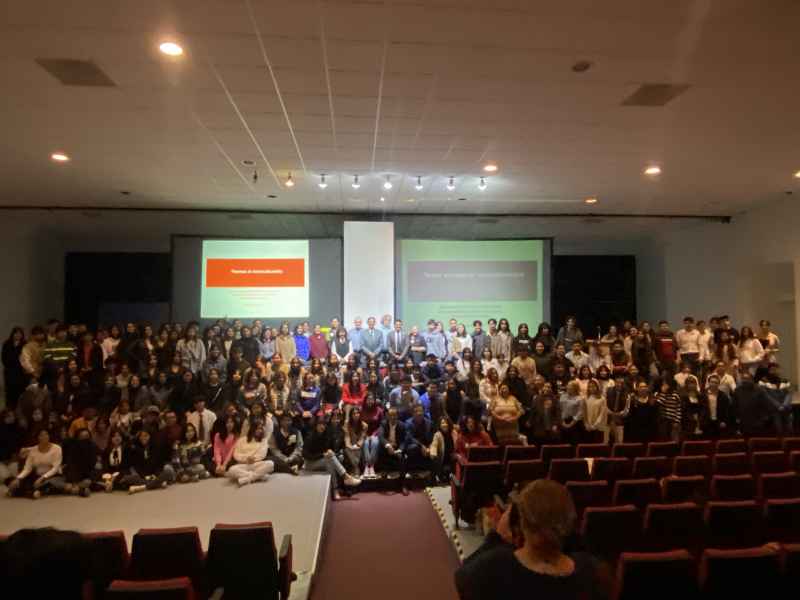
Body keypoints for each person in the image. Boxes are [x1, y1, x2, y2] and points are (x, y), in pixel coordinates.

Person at [454, 480, 606, 600]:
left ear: (522, 523)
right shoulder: (592, 572)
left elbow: (461, 578)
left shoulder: (496, 564)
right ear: (569, 520)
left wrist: (496, 537)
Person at [304, 415, 361, 500]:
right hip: (309, 464)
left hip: (323, 461)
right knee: (329, 459)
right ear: (316, 425)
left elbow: (331, 449)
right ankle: (345, 478)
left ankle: (335, 490)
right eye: (320, 424)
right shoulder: (310, 437)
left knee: (330, 462)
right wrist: (323, 455)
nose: (322, 426)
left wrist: (330, 452)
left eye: (324, 424)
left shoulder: (326, 436)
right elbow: (305, 455)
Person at [7, 428, 62, 498]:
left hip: (52, 476)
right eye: (41, 435)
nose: (44, 437)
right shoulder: (33, 450)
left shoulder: (57, 448)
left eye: (46, 434)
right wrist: (18, 478)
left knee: (50, 483)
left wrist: (43, 478)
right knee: (12, 481)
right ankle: (31, 492)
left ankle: (28, 492)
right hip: (37, 475)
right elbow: (27, 469)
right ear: (38, 437)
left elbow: (55, 468)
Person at [126, 428, 176, 494]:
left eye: (146, 436)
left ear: (150, 436)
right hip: (143, 476)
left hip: (155, 474)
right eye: (141, 436)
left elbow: (158, 464)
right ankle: (157, 483)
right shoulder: (136, 448)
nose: (143, 438)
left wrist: (154, 475)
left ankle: (142, 487)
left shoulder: (155, 447)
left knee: (168, 471)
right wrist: (145, 476)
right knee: (129, 478)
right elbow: (136, 465)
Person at [377, 407, 408, 494]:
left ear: (397, 416)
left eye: (394, 415)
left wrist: (400, 450)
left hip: (397, 448)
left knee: (402, 458)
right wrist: (388, 445)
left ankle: (403, 485)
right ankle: (383, 476)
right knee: (380, 448)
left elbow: (404, 441)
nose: (392, 417)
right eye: (390, 415)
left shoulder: (402, 425)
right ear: (387, 416)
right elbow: (381, 436)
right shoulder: (383, 424)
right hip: (387, 448)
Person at [759, 363, 793, 435]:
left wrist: (784, 405)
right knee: (778, 429)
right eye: (772, 370)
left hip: (785, 408)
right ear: (768, 371)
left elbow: (789, 394)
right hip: (773, 410)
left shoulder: (785, 381)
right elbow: (766, 396)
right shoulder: (763, 382)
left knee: (789, 428)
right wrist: (778, 406)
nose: (775, 371)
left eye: (776, 369)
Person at [2, 326, 27, 410]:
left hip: (21, 373)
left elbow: (25, 359)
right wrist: (15, 359)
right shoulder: (7, 344)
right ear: (12, 334)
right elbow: (4, 358)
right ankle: (10, 411)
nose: (18, 335)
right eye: (16, 333)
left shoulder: (25, 344)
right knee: (10, 393)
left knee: (21, 392)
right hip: (10, 372)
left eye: (20, 333)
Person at [604, 375, 630, 444]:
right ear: (614, 382)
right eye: (617, 382)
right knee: (606, 441)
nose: (619, 384)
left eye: (621, 383)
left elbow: (627, 408)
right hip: (608, 418)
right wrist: (611, 413)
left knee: (619, 442)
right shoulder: (608, 390)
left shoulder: (626, 393)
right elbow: (604, 404)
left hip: (620, 419)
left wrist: (620, 414)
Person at [655, 377, 682, 442]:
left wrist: (677, 421)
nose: (663, 386)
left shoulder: (675, 395)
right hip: (663, 420)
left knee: (673, 439)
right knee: (663, 438)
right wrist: (663, 393)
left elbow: (678, 409)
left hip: (672, 420)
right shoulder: (659, 394)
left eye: (665, 384)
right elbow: (660, 402)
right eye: (663, 384)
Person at [343, 406, 367, 476]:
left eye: (357, 413)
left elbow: (362, 438)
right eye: (354, 413)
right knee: (347, 449)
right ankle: (356, 467)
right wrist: (350, 446)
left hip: (360, 444)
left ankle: (355, 468)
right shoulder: (347, 424)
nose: (356, 415)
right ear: (351, 415)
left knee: (358, 449)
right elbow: (346, 436)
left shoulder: (364, 425)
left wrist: (357, 445)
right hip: (350, 444)